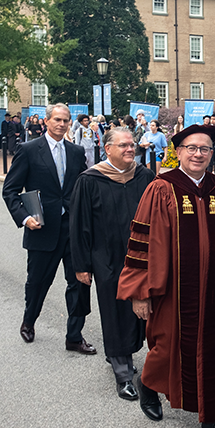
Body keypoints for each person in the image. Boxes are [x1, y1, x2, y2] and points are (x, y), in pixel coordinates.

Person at [118, 124, 215, 428]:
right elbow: (142, 243)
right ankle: (148, 384)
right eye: (191, 148)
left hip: (214, 291)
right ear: (179, 152)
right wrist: (139, 292)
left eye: (204, 149)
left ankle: (212, 417)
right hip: (172, 290)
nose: (198, 154)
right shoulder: (162, 188)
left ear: (212, 154)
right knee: (166, 347)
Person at [70, 126, 156, 400]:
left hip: (142, 257)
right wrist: (82, 265)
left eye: (132, 145)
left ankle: (128, 353)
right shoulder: (90, 179)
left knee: (144, 309)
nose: (130, 149)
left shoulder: (144, 177)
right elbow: (79, 224)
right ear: (107, 149)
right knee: (115, 310)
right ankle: (122, 370)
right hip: (106, 258)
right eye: (123, 146)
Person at [2, 104, 93, 353]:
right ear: (46, 121)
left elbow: (84, 186)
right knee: (38, 282)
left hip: (73, 229)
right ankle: (29, 321)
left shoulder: (75, 152)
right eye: (57, 120)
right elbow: (10, 190)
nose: (62, 124)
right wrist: (24, 218)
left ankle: (74, 336)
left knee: (79, 283)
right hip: (41, 227)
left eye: (66, 120)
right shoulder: (29, 150)